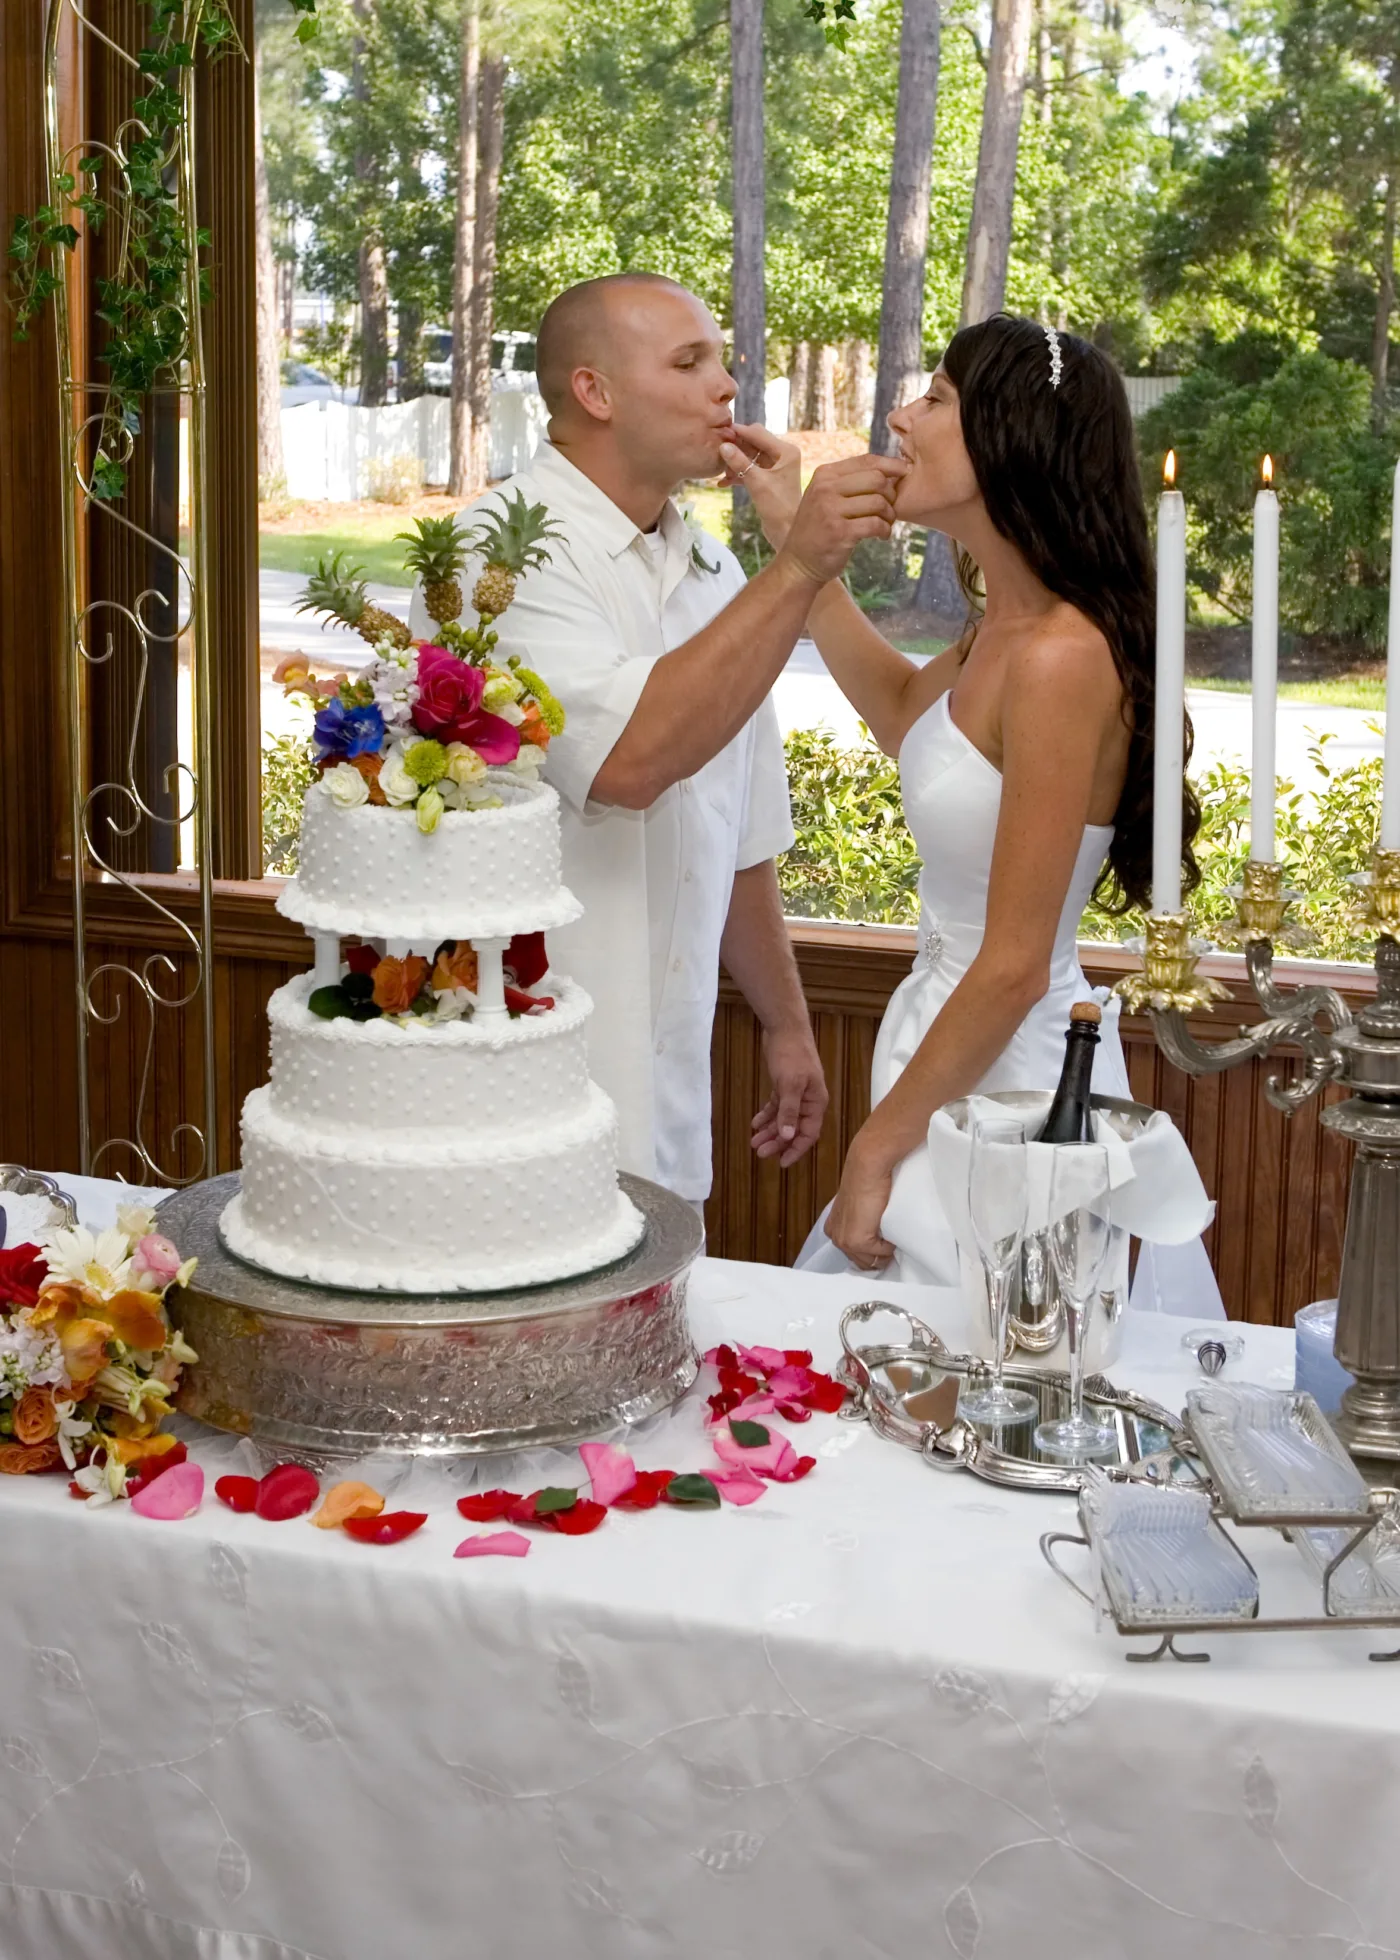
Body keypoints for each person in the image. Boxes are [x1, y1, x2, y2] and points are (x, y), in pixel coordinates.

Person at [729, 312, 1212, 1297]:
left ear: (1010, 437)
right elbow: (901, 712)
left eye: (935, 398)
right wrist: (796, 538)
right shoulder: (1005, 628)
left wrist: (870, 1153)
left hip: (1012, 1087)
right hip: (943, 1048)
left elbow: (1014, 965)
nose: (900, 416)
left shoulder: (1059, 655)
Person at [409, 272, 905, 1210]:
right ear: (595, 393)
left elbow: (739, 824)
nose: (727, 386)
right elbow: (630, 763)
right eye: (691, 362)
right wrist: (797, 563)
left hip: (669, 1086)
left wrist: (788, 1023)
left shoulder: (716, 572)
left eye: (722, 360)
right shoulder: (501, 559)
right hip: (521, 1075)